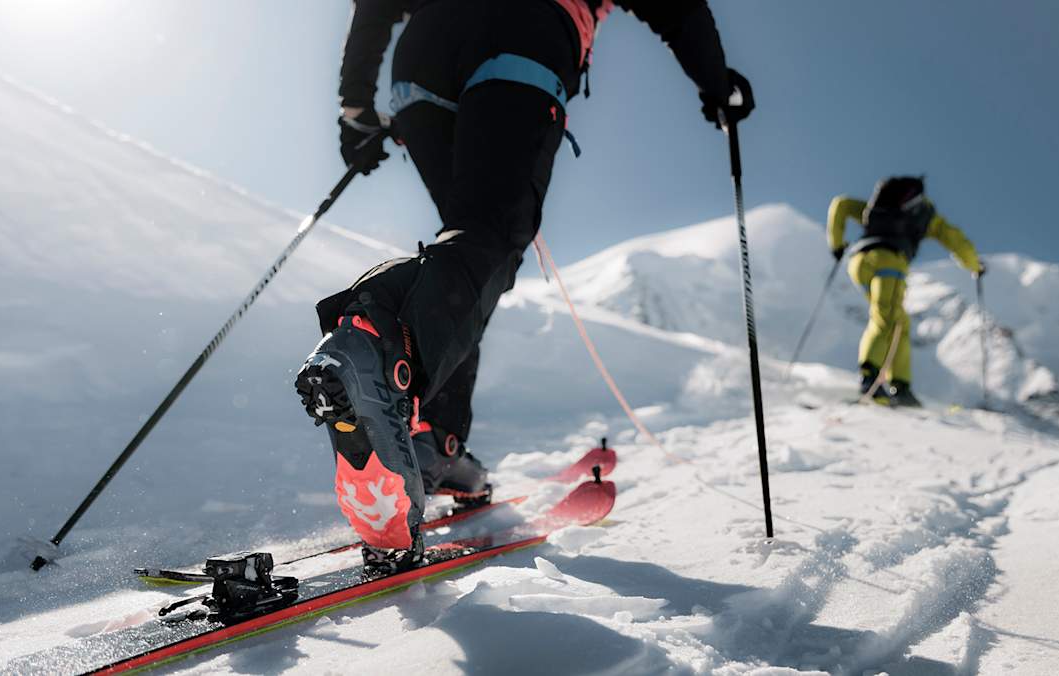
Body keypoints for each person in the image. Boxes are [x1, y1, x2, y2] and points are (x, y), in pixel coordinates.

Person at [295, 0, 755, 573]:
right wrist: (714, 82)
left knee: (465, 251)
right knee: (486, 239)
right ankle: (379, 349)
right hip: (523, 33)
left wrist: (356, 105)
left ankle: (435, 439)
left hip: (424, 56)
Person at [826, 176, 983, 407]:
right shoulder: (925, 215)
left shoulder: (878, 210)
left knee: (900, 321)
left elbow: (841, 204)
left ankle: (900, 384)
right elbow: (955, 239)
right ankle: (871, 379)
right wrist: (975, 266)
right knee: (887, 317)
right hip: (889, 262)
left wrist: (837, 245)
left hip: (859, 262)